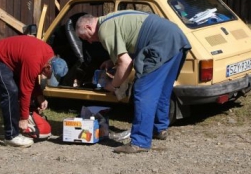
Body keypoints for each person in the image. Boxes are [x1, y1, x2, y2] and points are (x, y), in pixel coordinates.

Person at [76, 11, 191, 154]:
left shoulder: (105, 30)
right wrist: (112, 61)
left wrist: (114, 85)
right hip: (176, 37)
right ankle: (159, 128)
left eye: (85, 37)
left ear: (88, 27)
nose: (89, 42)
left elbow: (125, 63)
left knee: (143, 92)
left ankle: (140, 141)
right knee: (161, 89)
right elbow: (133, 40)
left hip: (160, 42)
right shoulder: (110, 19)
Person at [0, 35, 68, 147]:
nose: (48, 77)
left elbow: (32, 78)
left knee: (16, 91)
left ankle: (17, 125)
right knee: (10, 92)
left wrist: (40, 96)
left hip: (11, 61)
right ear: (47, 67)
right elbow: (25, 91)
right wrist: (24, 118)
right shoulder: (34, 60)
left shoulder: (48, 55)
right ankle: (11, 136)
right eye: (50, 75)